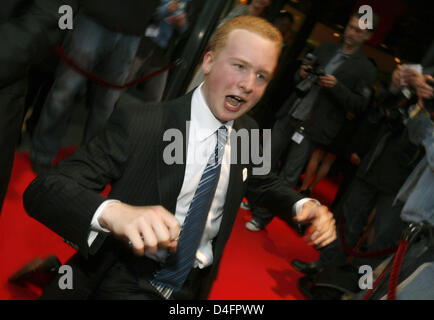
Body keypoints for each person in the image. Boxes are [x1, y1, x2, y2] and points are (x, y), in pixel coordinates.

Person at [23, 16, 336, 300]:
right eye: (239, 66)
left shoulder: (247, 130)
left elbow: (262, 182)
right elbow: (45, 189)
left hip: (192, 286)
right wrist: (114, 213)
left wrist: (302, 204)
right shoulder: (143, 124)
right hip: (126, 277)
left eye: (262, 76)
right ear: (209, 61)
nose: (248, 85)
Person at [246, 11, 377, 232]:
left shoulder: (365, 68)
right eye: (350, 27)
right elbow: (298, 78)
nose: (352, 33)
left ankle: (262, 216)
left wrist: (336, 87)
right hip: (292, 111)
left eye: (358, 31)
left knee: (289, 174)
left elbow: (359, 106)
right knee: (263, 160)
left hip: (314, 125)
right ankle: (249, 198)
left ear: (367, 36)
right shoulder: (326, 49)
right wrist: (303, 73)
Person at [29, 0, 160, 175]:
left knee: (106, 105)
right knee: (65, 91)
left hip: (133, 29)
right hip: (95, 16)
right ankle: (42, 154)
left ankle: (87, 162)